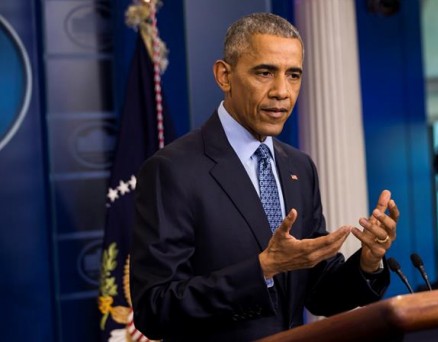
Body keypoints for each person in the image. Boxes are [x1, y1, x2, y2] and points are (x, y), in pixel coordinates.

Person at [130, 12, 399, 341]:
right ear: (224, 76)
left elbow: (317, 293)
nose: (282, 91)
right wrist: (262, 269)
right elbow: (155, 309)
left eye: (294, 75)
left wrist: (368, 263)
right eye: (265, 72)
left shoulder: (299, 167)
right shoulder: (173, 170)